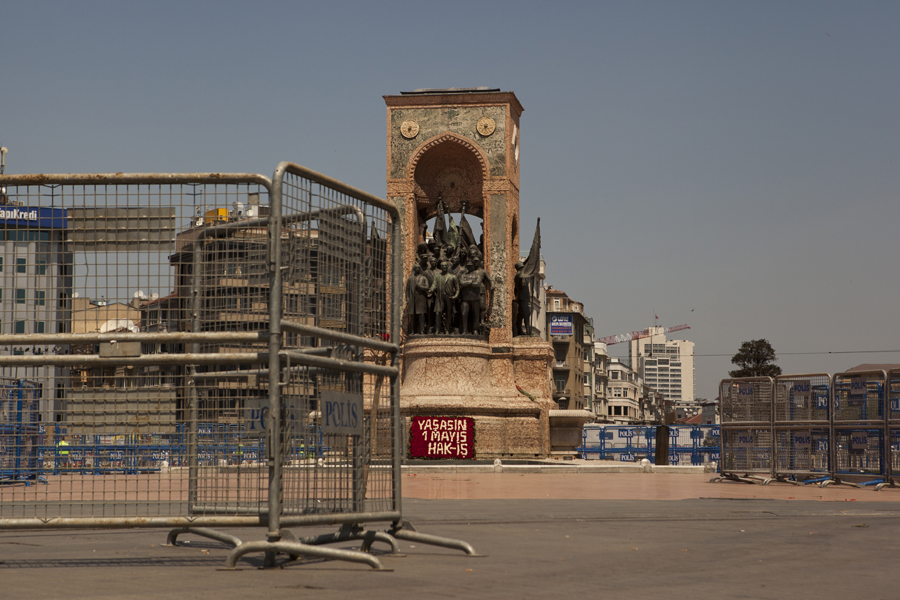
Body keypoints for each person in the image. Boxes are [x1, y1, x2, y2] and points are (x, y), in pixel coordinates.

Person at [458, 260, 492, 335]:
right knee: (464, 314)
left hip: (475, 298)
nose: (469, 267)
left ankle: (475, 329)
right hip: (465, 298)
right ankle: (464, 330)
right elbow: (462, 283)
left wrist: (467, 283)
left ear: (473, 266)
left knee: (476, 315)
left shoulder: (477, 275)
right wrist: (471, 282)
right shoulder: (463, 275)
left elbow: (477, 284)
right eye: (468, 266)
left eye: (470, 266)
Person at [429, 260, 459, 334]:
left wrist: (455, 296)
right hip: (440, 297)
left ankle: (447, 329)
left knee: (449, 313)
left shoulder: (453, 277)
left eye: (445, 266)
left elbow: (457, 288)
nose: (444, 267)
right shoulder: (437, 277)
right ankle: (437, 329)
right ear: (441, 267)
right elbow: (434, 285)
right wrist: (431, 289)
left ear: (448, 267)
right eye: (443, 266)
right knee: (438, 313)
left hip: (449, 297)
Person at [405, 264, 430, 335]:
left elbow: (427, 287)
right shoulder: (410, 279)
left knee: (421, 315)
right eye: (416, 268)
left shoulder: (424, 278)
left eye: (419, 268)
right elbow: (407, 290)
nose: (418, 269)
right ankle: (412, 330)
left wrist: (419, 287)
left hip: (421, 299)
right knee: (412, 316)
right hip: (412, 299)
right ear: (414, 269)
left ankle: (422, 330)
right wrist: (407, 299)